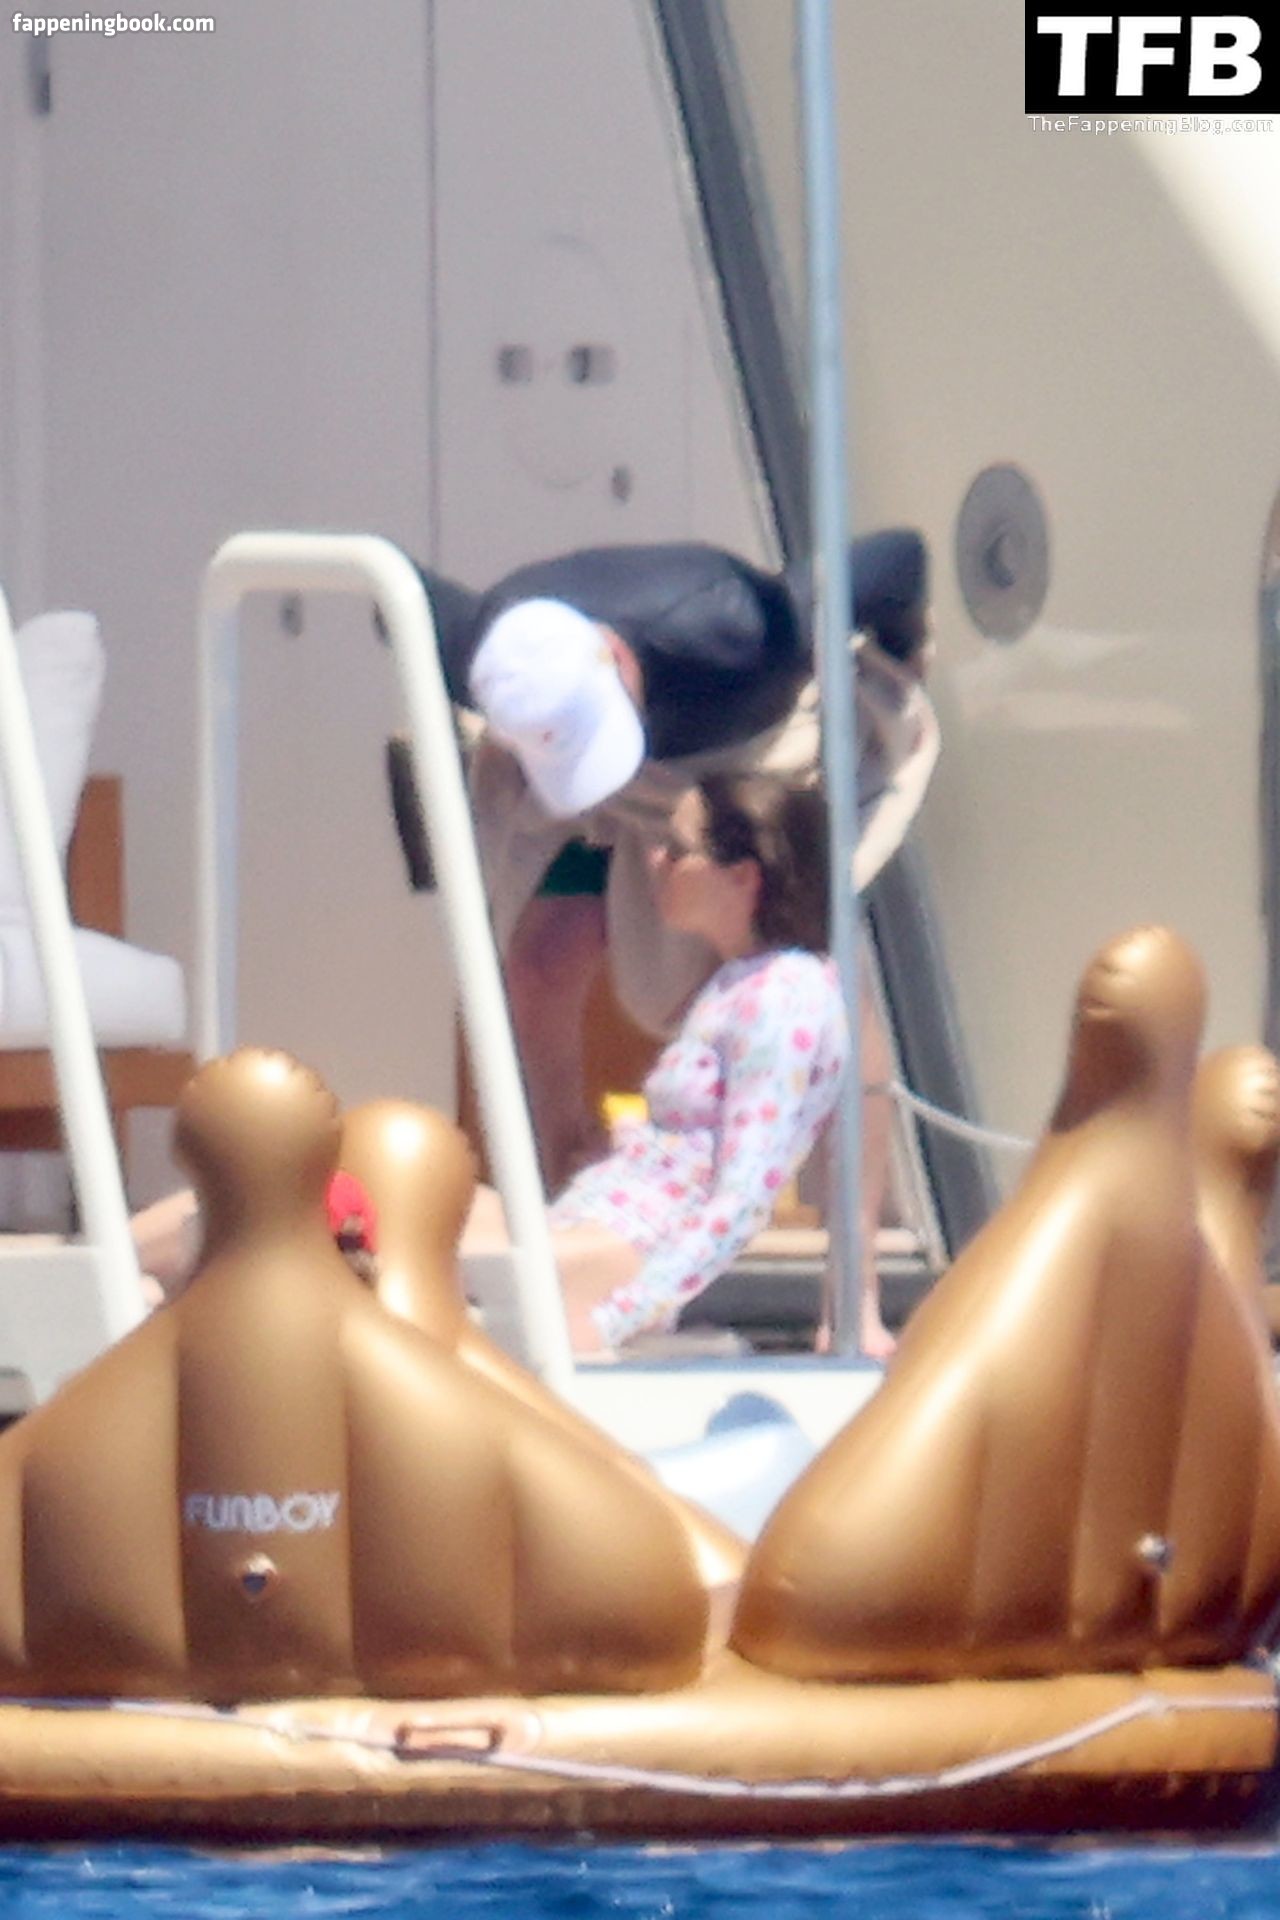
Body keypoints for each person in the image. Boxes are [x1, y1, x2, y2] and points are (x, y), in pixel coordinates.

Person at [389, 530, 938, 1199]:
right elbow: (389, 582)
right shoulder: (480, 648)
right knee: (540, 965)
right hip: (608, 784)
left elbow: (898, 558)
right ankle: (561, 1193)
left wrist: (905, 646)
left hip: (748, 754)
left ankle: (854, 1245)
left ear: (619, 659)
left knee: (825, 977)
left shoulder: (734, 628)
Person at [461, 772, 855, 1355]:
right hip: (602, 1218)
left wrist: (617, 1318)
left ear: (742, 876)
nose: (654, 858)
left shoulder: (785, 996)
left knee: (419, 1247)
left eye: (677, 848)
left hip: (636, 1243)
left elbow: (741, 1200)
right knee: (421, 1204)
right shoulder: (739, 983)